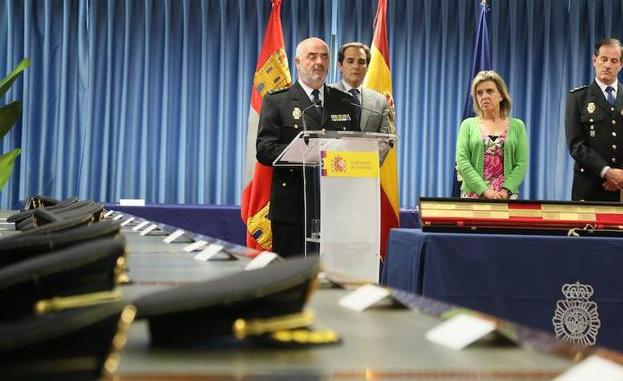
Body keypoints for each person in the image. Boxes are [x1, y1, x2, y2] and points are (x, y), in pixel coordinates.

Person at [255, 37, 358, 257]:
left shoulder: (345, 101)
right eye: (312, 56)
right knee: (290, 278)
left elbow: (355, 145)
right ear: (297, 62)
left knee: (333, 280)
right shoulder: (278, 101)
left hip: (335, 208)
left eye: (324, 57)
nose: (319, 62)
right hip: (292, 208)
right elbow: (264, 149)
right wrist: (301, 153)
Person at [455, 70, 528, 199]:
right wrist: (484, 191)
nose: (484, 96)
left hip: (505, 197)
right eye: (479, 93)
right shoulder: (467, 125)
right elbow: (462, 162)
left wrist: (505, 191)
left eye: (489, 91)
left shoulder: (518, 126)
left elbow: (521, 163)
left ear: (501, 95)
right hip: (473, 196)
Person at [566, 38, 623, 202]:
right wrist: (607, 172)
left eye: (614, 61)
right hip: (588, 189)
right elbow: (576, 145)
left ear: (621, 65)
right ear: (594, 60)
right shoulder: (578, 98)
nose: (608, 65)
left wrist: (621, 177)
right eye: (603, 59)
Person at [330, 42, 390, 134]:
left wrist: (366, 148)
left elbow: (387, 139)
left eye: (361, 62)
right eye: (350, 61)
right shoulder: (327, 94)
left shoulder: (380, 101)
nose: (356, 66)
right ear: (340, 66)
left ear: (368, 67)